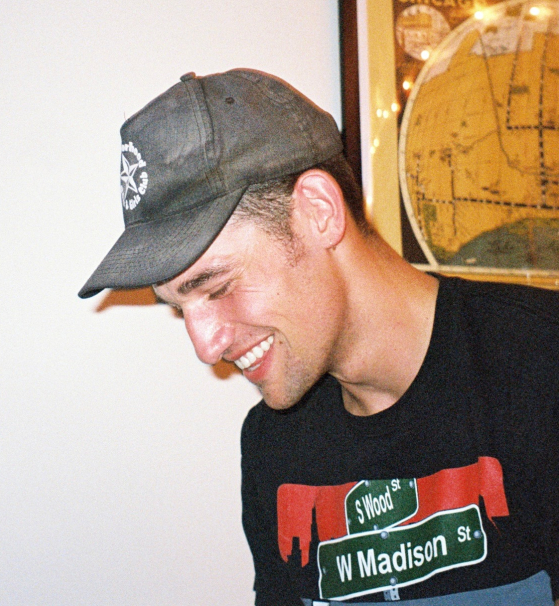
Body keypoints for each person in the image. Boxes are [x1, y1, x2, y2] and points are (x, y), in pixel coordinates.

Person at [79, 69, 559, 605]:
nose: (206, 347)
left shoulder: (540, 369)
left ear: (318, 212)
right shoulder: (275, 445)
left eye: (217, 287)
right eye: (178, 309)